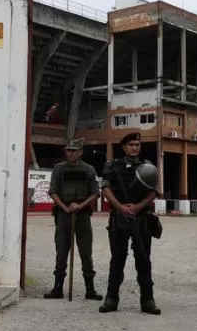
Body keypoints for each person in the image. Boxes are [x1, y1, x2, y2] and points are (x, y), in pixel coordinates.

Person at [98, 132, 161, 315]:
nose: (135, 147)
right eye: (131, 144)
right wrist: (120, 208)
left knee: (143, 260)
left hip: (141, 219)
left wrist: (137, 207)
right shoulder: (113, 166)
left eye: (137, 144)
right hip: (119, 219)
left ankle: (148, 300)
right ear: (124, 147)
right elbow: (106, 189)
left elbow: (153, 192)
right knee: (117, 260)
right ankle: (111, 298)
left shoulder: (147, 167)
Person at [44, 138, 103, 300]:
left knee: (86, 252)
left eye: (73, 150)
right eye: (68, 150)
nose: (70, 153)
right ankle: (57, 288)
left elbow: (95, 192)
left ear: (80, 152)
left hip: (82, 215)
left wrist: (80, 205)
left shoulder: (89, 169)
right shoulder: (58, 169)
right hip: (63, 215)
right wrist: (65, 207)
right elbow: (53, 191)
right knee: (61, 251)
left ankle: (90, 289)